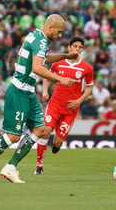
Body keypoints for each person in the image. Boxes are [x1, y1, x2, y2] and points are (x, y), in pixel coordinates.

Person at [0, 14, 76, 184]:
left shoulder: (36, 36)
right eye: (59, 32)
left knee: (41, 130)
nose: (60, 35)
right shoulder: (41, 41)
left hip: (28, 92)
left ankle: (11, 167)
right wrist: (60, 79)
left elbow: (43, 59)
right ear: (50, 27)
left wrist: (65, 56)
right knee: (13, 136)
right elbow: (37, 67)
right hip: (19, 90)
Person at [35, 36, 94, 175]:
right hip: (55, 104)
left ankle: (56, 146)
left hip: (71, 109)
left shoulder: (86, 67)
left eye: (80, 48)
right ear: (69, 48)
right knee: (45, 131)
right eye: (75, 47)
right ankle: (39, 165)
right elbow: (47, 77)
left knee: (57, 143)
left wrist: (78, 101)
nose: (77, 50)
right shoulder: (59, 62)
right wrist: (44, 92)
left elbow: (90, 87)